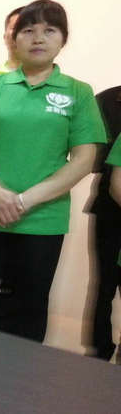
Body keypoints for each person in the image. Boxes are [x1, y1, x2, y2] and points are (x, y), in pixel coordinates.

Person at [0, 0, 106, 342]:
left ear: (63, 39)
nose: (38, 38)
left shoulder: (78, 92)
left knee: (31, 305)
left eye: (49, 30)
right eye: (28, 30)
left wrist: (23, 201)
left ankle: (23, 373)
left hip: (42, 219)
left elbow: (84, 159)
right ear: (14, 39)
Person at [87, 87, 121, 361]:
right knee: (105, 284)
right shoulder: (107, 100)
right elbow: (95, 160)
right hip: (110, 210)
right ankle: (99, 350)